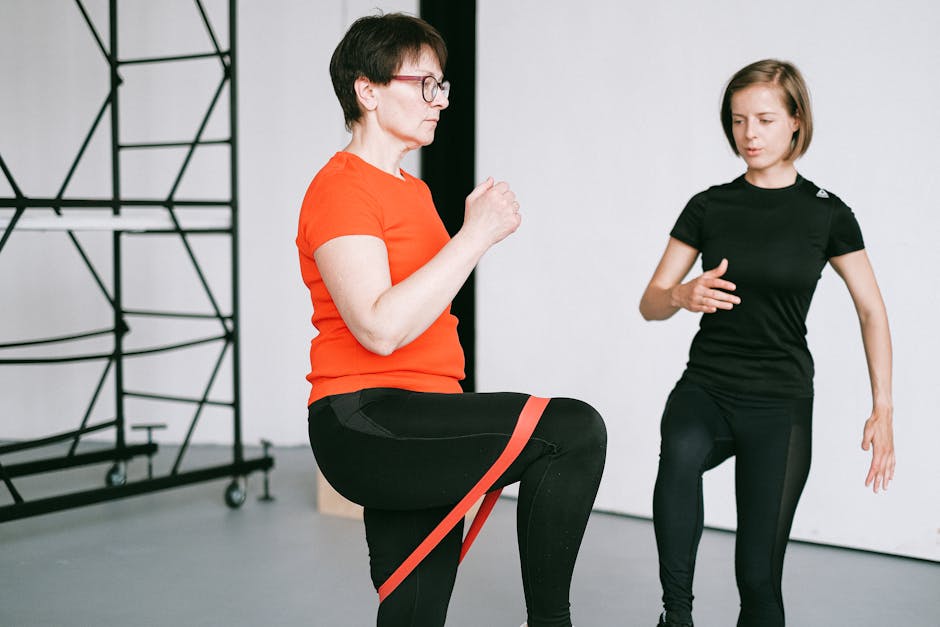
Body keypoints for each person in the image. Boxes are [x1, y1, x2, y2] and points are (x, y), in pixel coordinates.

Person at [296, 13, 606, 627]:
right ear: (368, 90)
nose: (440, 101)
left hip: (426, 414)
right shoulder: (339, 189)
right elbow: (379, 328)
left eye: (444, 86)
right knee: (572, 430)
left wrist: (468, 237)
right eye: (426, 84)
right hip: (368, 417)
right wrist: (476, 235)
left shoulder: (411, 191)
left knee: (413, 611)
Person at [638, 59, 895, 627]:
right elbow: (650, 301)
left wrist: (883, 408)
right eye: (737, 121)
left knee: (758, 580)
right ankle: (674, 615)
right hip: (707, 386)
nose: (749, 135)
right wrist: (681, 295)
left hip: (779, 400)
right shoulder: (708, 206)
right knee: (678, 455)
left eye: (764, 119)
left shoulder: (827, 214)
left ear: (796, 122)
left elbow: (872, 309)